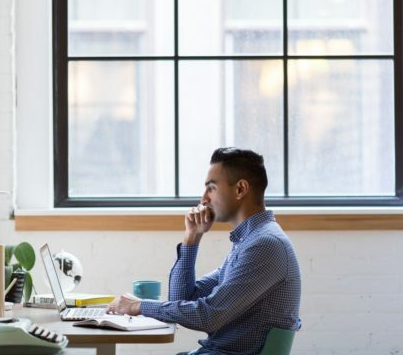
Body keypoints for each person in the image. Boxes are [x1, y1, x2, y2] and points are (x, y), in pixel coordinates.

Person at [108, 147, 301, 355]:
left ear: (240, 189)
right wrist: (192, 238)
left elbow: (209, 316)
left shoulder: (265, 245)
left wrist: (139, 306)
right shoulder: (248, 242)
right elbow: (181, 300)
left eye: (212, 188)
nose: (203, 199)